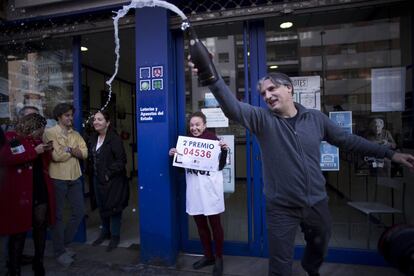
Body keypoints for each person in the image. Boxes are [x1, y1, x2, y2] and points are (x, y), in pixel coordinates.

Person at [189, 55, 414, 276]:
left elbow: (349, 141)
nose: (267, 96)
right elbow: (233, 108)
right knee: (279, 266)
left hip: (317, 202)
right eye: (263, 93)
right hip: (281, 208)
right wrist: (212, 77)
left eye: (272, 89)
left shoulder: (316, 119)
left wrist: (390, 154)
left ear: (289, 89)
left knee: (320, 246)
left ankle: (310, 267)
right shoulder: (262, 119)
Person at [169, 111, 228, 276]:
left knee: (215, 225)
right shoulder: (187, 142)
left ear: (204, 125)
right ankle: (208, 256)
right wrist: (174, 155)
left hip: (210, 190)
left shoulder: (214, 140)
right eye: (192, 125)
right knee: (201, 226)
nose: (194, 128)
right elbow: (180, 169)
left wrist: (223, 151)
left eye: (198, 125)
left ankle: (219, 258)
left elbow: (221, 166)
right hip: (195, 190)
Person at [0, 113, 56, 276]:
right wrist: (35, 150)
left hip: (39, 188)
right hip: (21, 193)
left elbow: (45, 162)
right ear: (31, 127)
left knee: (40, 226)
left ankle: (39, 262)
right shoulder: (11, 137)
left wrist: (46, 150)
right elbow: (7, 158)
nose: (41, 132)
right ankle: (14, 268)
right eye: (40, 129)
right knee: (19, 230)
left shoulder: (38, 141)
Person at [43, 103, 88, 267]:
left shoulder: (75, 134)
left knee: (80, 212)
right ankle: (59, 251)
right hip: (58, 178)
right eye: (67, 115)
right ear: (59, 117)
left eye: (71, 115)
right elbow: (55, 156)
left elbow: (84, 153)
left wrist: (68, 150)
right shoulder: (49, 133)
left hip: (75, 177)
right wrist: (71, 150)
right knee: (58, 216)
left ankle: (64, 243)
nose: (70, 118)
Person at [88, 111, 129, 252]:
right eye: (94, 120)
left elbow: (121, 160)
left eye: (100, 119)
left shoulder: (114, 139)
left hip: (113, 180)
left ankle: (115, 237)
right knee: (102, 205)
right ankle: (105, 233)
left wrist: (107, 174)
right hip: (96, 179)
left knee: (114, 207)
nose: (96, 122)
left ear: (108, 122)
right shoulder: (93, 138)